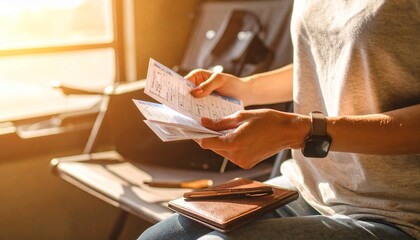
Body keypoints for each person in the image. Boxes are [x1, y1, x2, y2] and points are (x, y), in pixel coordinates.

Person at [139, 1, 420, 239]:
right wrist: (246, 88)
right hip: (306, 185)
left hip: (395, 211)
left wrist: (297, 131)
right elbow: (329, 58)